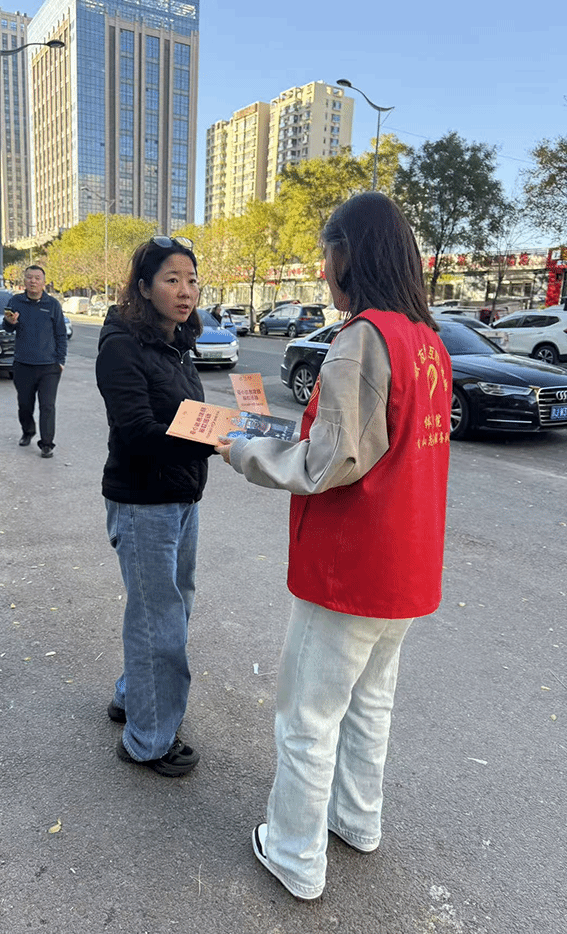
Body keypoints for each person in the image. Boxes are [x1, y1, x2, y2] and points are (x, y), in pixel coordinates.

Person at [215, 192, 452, 901]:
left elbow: (330, 461)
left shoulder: (363, 338)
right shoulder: (427, 339)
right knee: (369, 704)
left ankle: (294, 854)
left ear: (351, 253)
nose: (324, 268)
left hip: (351, 566)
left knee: (307, 718)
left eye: (328, 252)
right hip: (406, 565)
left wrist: (243, 449)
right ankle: (356, 819)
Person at [95, 236, 213, 778]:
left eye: (191, 280)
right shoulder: (121, 347)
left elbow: (187, 417)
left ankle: (132, 695)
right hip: (143, 503)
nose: (185, 291)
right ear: (143, 287)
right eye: (172, 279)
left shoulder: (176, 344)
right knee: (157, 619)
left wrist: (229, 427)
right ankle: (148, 739)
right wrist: (216, 440)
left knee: (169, 608)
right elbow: (139, 432)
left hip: (182, 498)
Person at [3, 265, 67, 459]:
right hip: (23, 364)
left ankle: (47, 444)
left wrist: (60, 361)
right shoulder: (15, 301)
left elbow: (61, 334)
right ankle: (28, 431)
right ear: (24, 281)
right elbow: (7, 328)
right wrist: (10, 322)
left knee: (47, 406)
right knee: (25, 404)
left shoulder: (52, 304)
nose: (33, 281)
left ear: (43, 282)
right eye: (29, 277)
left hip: (49, 366)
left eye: (37, 278)